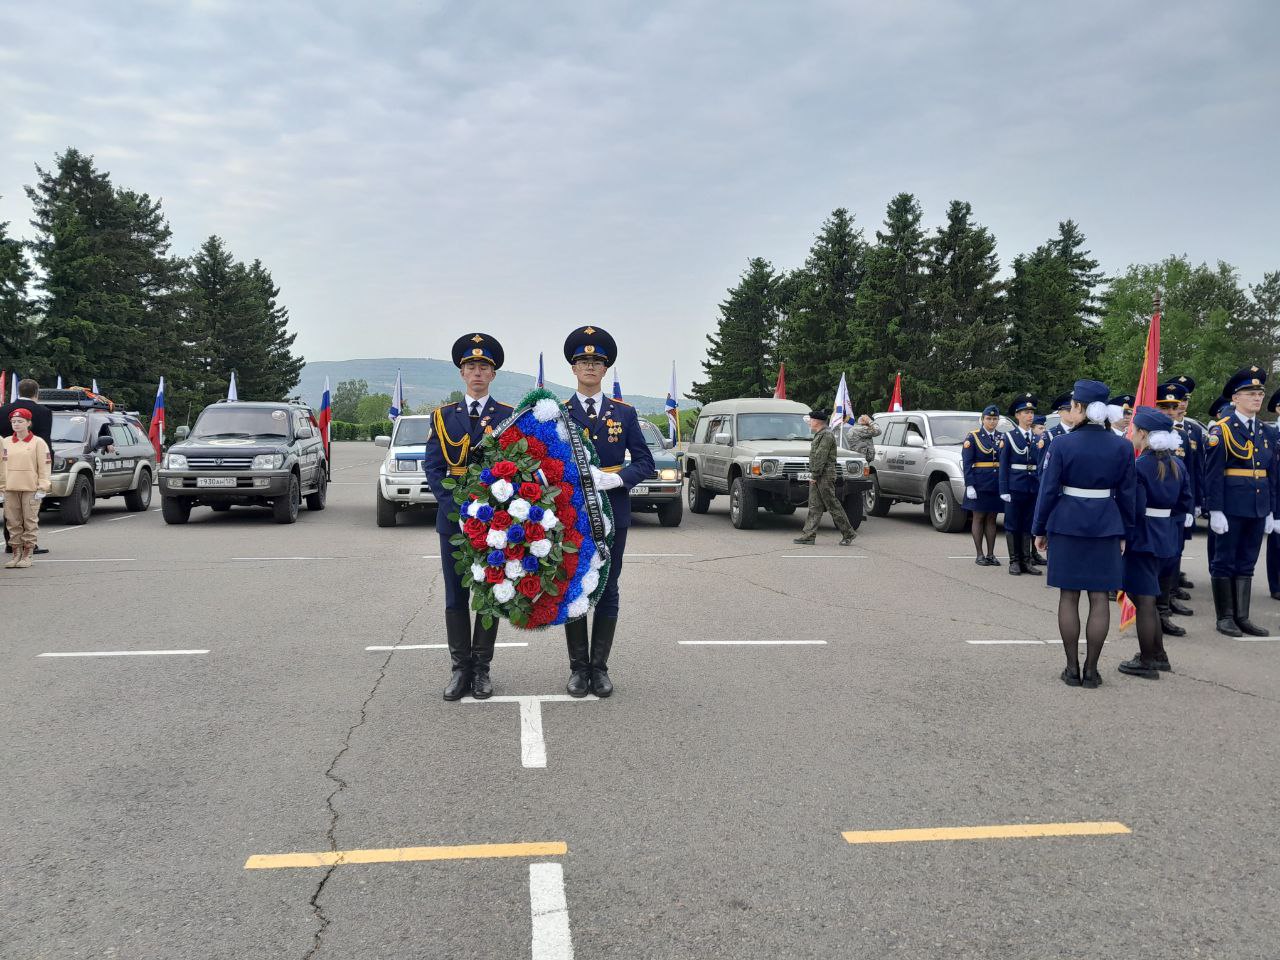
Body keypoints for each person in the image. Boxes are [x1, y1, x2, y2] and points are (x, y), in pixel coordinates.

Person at [561, 325, 654, 698]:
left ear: (605, 369)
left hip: (613, 511)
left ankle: (599, 669)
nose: (589, 366)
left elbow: (645, 461)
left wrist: (619, 480)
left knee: (608, 586)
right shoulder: (558, 413)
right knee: (574, 587)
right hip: (571, 513)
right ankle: (577, 670)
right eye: (583, 360)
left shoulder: (624, 413)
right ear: (573, 368)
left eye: (596, 361)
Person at [423, 333, 515, 701]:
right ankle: (459, 670)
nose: (477, 373)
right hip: (454, 523)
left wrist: (497, 512)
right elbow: (433, 467)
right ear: (462, 374)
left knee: (490, 594)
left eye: (484, 367)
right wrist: (455, 511)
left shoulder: (508, 416)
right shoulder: (444, 416)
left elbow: (515, 470)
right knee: (456, 596)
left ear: (493, 375)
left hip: (496, 523)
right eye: (471, 367)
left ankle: (481, 670)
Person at [1032, 380, 1137, 688]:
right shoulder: (1122, 445)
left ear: (1079, 407)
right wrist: (1125, 532)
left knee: (1069, 596)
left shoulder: (1062, 444)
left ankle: (1071, 669)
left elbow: (1048, 491)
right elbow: (1128, 494)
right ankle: (1092, 671)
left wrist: (1039, 529)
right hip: (1107, 524)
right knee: (1099, 598)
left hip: (1067, 525)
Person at [1117, 408, 1193, 678]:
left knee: (1144, 600)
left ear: (1144, 435)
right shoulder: (1178, 464)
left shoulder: (1140, 467)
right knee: (1151, 597)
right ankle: (1158, 654)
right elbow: (1185, 503)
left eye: (1134, 430)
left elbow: (1133, 509)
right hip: (1166, 537)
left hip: (1143, 538)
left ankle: (1148, 660)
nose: (1132, 434)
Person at [1204, 366, 1273, 638]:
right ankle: (1226, 617)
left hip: (1258, 505)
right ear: (1235, 398)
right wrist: (1216, 509)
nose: (1257, 398)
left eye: (1259, 393)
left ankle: (1243, 617)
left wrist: (1272, 511)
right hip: (1231, 505)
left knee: (1246, 562)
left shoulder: (1266, 432)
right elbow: (1213, 474)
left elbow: (1272, 475)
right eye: (1250, 393)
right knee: (1224, 561)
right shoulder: (1222, 431)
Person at [1152, 380, 1199, 632]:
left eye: (1173, 406)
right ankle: (1154, 612)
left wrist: (1191, 507)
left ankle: (1167, 603)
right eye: (1163, 407)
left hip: (1176, 511)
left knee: (1174, 556)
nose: (1170, 412)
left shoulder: (1181, 436)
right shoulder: (1144, 435)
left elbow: (1189, 475)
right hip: (1152, 513)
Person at [0, 378, 53, 556]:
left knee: (11, 507)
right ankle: (30, 544)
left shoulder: (3, 410)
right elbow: (45, 441)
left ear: (18, 391)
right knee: (30, 508)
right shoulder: (43, 411)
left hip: (7, 464)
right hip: (31, 464)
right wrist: (46, 467)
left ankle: (11, 543)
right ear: (36, 393)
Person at [793, 408, 856, 546]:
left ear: (817, 421)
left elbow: (821, 456)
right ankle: (809, 535)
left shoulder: (826, 435)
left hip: (825, 475)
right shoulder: (820, 434)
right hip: (819, 474)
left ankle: (848, 533)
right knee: (814, 505)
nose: (809, 422)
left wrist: (814, 475)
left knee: (832, 505)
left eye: (811, 420)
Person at [999, 393, 1045, 577]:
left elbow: (1040, 464)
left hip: (1032, 486)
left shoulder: (1036, 438)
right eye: (1026, 412)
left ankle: (1027, 561)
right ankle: (1014, 561)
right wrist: (1003, 489)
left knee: (1028, 524)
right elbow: (1003, 465)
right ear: (1017, 415)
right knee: (1012, 524)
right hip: (1014, 486)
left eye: (1031, 412)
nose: (1030, 416)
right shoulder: (1009, 437)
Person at [962, 405, 1004, 566]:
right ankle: (979, 554)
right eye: (989, 418)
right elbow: (967, 463)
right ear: (982, 419)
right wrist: (970, 485)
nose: (992, 422)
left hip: (996, 483)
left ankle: (991, 554)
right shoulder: (973, 437)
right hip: (979, 483)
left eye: (995, 419)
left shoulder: (1002, 437)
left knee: (992, 518)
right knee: (979, 517)